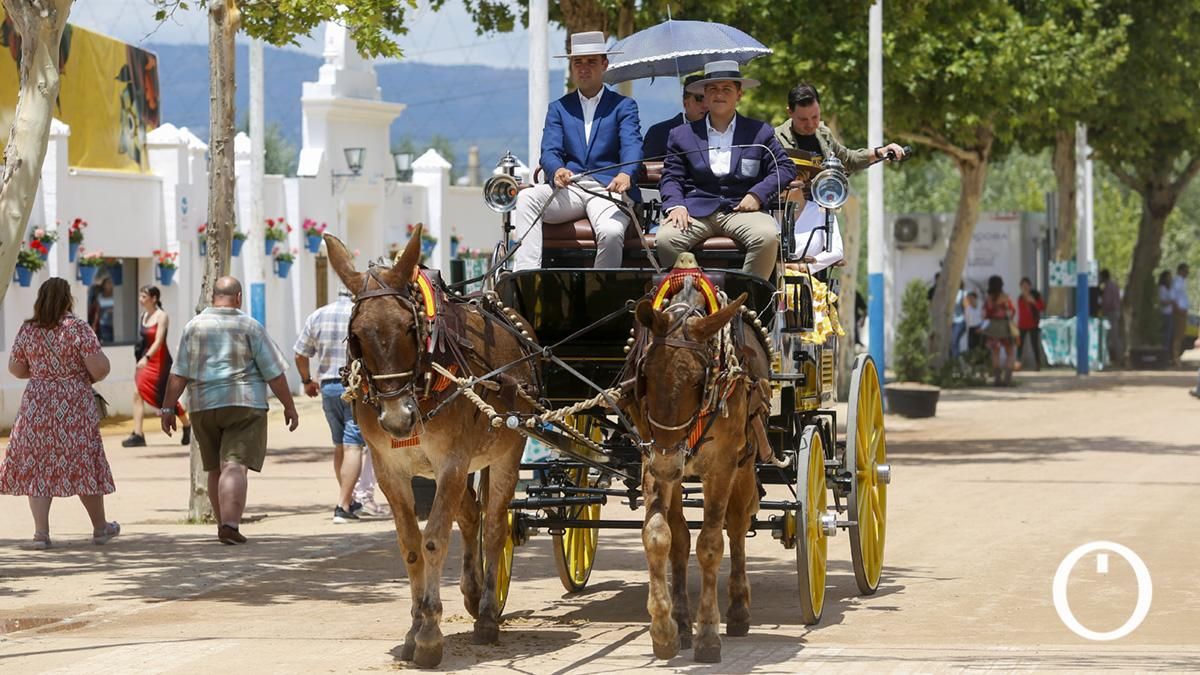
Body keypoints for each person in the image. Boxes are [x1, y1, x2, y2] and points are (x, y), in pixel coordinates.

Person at [160, 276, 298, 545]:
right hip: (244, 403)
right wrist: (289, 406)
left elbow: (179, 372)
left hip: (202, 406)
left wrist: (167, 407)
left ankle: (222, 523)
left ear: (212, 297)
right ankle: (231, 525)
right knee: (234, 465)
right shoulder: (249, 326)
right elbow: (274, 372)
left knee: (214, 468)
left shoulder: (193, 327)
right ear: (238, 298)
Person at [0, 277, 120, 549]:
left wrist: (44, 373)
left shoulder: (28, 329)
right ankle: (100, 528)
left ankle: (41, 533)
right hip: (74, 404)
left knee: (39, 465)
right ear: (68, 299)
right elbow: (99, 369)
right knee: (83, 460)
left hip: (37, 404)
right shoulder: (78, 328)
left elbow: (16, 369)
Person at [512, 31, 643, 271]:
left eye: (591, 61)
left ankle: (599, 295)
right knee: (525, 198)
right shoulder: (559, 108)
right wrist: (556, 169)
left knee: (612, 232)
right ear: (571, 67)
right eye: (577, 62)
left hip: (607, 189)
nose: (584, 68)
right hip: (570, 189)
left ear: (604, 64)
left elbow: (632, 146)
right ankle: (528, 277)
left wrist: (626, 174)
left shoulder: (623, 106)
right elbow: (549, 151)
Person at [657, 60, 796, 280]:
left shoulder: (759, 132)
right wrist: (675, 206)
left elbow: (785, 168)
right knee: (666, 240)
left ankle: (745, 300)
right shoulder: (681, 135)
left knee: (768, 236)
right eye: (712, 89)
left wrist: (757, 195)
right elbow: (672, 177)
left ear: (739, 94)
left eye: (726, 89)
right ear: (704, 93)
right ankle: (699, 298)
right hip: (696, 212)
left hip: (742, 210)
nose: (719, 94)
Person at [294, 289, 372, 523]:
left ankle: (347, 499)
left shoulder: (318, 315)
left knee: (340, 445)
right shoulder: (361, 314)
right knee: (354, 446)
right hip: (355, 385)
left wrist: (307, 381)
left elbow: (299, 353)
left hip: (328, 386)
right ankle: (343, 505)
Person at [774, 82, 906, 170]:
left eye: (815, 117)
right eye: (803, 119)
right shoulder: (775, 140)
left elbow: (848, 159)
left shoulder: (824, 134)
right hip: (790, 209)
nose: (810, 124)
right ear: (790, 112)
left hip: (825, 206)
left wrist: (881, 151)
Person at [123, 285, 192, 448]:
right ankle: (138, 434)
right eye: (140, 296)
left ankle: (187, 425)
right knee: (137, 393)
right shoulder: (143, 316)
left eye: (144, 296)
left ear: (154, 298)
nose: (141, 299)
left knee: (166, 398)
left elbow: (159, 340)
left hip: (159, 362)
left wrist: (147, 357)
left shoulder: (162, 316)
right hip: (145, 361)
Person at [641, 73, 708, 161]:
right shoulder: (659, 133)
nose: (705, 105)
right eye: (699, 98)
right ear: (685, 101)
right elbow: (648, 170)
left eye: (709, 99)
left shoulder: (722, 131)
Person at [981, 275, 1017, 386]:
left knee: (995, 353)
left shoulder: (988, 299)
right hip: (1005, 327)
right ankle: (1007, 379)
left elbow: (983, 315)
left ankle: (997, 379)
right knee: (1010, 353)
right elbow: (1012, 312)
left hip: (993, 327)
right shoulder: (1005, 298)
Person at [1016, 277, 1045, 371]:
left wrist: (1033, 302)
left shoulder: (1036, 295)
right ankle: (1018, 364)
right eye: (1023, 285)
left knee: (1034, 345)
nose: (1025, 287)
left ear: (1030, 286)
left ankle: (1038, 365)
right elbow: (1021, 313)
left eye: (1026, 285)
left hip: (1033, 324)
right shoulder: (1020, 298)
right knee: (1019, 346)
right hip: (1022, 325)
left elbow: (1042, 307)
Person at [1099, 269, 1123, 366]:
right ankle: (1118, 357)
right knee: (1114, 335)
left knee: (1112, 336)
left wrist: (1102, 309)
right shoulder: (1114, 285)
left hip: (1111, 313)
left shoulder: (1108, 286)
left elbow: (1107, 302)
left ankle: (1117, 358)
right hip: (1115, 311)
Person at [1171, 263, 1190, 365]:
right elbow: (1173, 298)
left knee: (1181, 335)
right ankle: (1175, 358)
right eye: (1185, 271)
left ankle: (1177, 356)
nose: (1187, 273)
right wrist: (1178, 310)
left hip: (1183, 311)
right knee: (1177, 336)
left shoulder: (1182, 282)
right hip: (1179, 312)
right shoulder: (1177, 282)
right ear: (1180, 271)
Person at [88, 276, 115, 344]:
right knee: (107, 341)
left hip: (115, 323)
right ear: (103, 285)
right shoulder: (100, 296)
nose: (110, 285)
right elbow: (97, 311)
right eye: (108, 283)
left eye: (111, 283)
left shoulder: (116, 295)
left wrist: (113, 310)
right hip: (104, 324)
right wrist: (94, 325)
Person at [1158, 270, 1175, 358]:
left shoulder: (1169, 288)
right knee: (1166, 336)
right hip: (1165, 314)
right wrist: (1171, 301)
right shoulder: (1162, 289)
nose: (1170, 279)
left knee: (1169, 336)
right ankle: (1163, 355)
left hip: (1170, 313)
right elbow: (1162, 302)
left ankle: (1166, 354)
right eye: (1168, 277)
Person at [950, 282, 966, 359]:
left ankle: (956, 360)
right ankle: (955, 359)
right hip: (951, 321)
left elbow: (966, 307)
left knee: (954, 342)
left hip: (959, 321)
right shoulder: (950, 293)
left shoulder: (963, 293)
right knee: (954, 342)